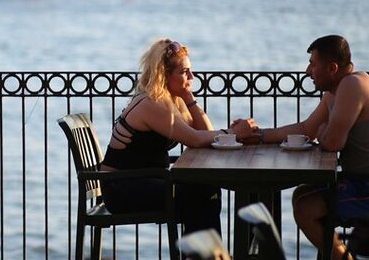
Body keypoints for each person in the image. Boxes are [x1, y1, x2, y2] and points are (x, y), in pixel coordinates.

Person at [232, 35, 369, 260]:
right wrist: (258, 136)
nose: (307, 71)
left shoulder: (352, 86)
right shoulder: (337, 90)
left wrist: (326, 130)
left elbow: (331, 143)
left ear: (332, 68)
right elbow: (308, 128)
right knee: (302, 195)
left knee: (306, 207)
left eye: (312, 64)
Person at [100, 38, 255, 234]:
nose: (191, 76)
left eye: (190, 70)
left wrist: (188, 97)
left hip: (142, 180)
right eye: (183, 72)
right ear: (163, 76)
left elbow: (204, 132)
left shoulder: (170, 100)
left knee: (205, 187)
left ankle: (198, 259)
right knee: (201, 193)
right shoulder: (152, 103)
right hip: (122, 189)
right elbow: (195, 139)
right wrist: (233, 133)